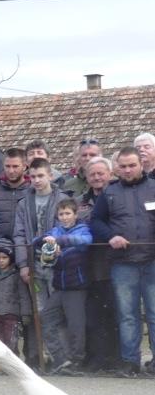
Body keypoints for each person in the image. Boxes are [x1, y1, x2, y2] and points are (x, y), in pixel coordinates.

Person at [90, 146, 155, 377]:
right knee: (127, 315)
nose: (127, 170)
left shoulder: (153, 188)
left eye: (132, 165)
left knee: (154, 313)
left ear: (141, 165)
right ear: (117, 168)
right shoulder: (109, 193)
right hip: (122, 264)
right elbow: (95, 222)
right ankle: (130, 362)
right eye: (123, 166)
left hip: (152, 262)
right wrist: (111, 236)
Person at [13, 157, 69, 373]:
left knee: (59, 312)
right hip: (34, 266)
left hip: (57, 266)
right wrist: (23, 264)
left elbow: (67, 230)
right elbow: (18, 235)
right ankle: (53, 357)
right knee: (41, 312)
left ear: (50, 176)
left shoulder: (62, 200)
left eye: (40, 176)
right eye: (32, 177)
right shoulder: (23, 203)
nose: (36, 180)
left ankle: (66, 357)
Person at [33, 199, 93, 374]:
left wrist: (59, 241)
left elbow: (85, 240)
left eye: (68, 213)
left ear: (75, 214)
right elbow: (37, 240)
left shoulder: (82, 229)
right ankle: (61, 358)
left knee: (76, 326)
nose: (64, 217)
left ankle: (77, 361)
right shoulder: (54, 230)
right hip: (59, 286)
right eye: (61, 214)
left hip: (76, 286)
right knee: (46, 319)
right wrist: (46, 241)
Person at [76, 157, 122, 374]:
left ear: (110, 174)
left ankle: (116, 358)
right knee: (92, 315)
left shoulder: (118, 196)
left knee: (115, 313)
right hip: (89, 265)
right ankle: (96, 358)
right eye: (92, 173)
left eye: (101, 173)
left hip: (115, 262)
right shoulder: (80, 202)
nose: (96, 177)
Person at [0, 148, 31, 243]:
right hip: (0, 253)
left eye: (15, 166)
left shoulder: (33, 192)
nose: (11, 171)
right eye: (7, 166)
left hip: (27, 249)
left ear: (24, 166)